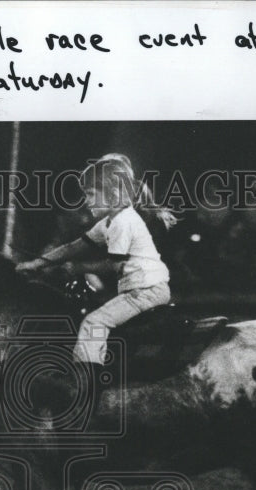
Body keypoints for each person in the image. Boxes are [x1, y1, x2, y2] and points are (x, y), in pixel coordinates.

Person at [16, 154, 176, 397]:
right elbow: (74, 246)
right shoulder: (109, 222)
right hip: (141, 289)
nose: (86, 201)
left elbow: (116, 266)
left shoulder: (123, 221)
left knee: (93, 323)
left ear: (111, 193)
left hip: (147, 290)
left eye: (91, 194)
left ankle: (87, 392)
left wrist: (79, 269)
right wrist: (37, 263)